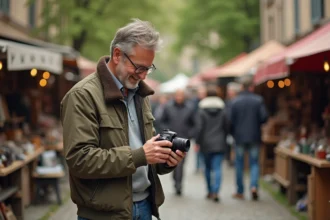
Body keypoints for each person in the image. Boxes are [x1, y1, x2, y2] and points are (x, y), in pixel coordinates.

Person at [60, 19, 185, 220]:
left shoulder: (139, 93)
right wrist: (139, 155)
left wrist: (166, 160)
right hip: (102, 214)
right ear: (117, 55)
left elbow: (145, 154)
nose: (143, 75)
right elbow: (79, 160)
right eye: (139, 67)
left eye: (148, 68)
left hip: (144, 207)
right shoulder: (82, 96)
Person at [229, 75, 268, 201]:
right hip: (254, 136)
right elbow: (264, 118)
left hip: (239, 137)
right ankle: (254, 187)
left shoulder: (235, 101)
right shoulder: (258, 100)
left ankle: (240, 191)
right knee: (254, 163)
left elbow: (230, 121)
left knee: (239, 164)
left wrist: (233, 133)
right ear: (251, 87)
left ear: (241, 87)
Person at [159, 88, 195, 196]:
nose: (179, 97)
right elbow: (161, 121)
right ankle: (176, 181)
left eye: (181, 95)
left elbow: (195, 123)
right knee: (171, 161)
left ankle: (179, 184)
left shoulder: (190, 108)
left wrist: (189, 134)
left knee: (181, 163)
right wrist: (167, 133)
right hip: (171, 140)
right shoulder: (168, 107)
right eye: (177, 95)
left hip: (183, 140)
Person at [195, 85, 227, 202]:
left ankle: (209, 190)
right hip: (219, 142)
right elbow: (226, 126)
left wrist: (197, 142)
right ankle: (216, 191)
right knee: (218, 168)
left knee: (207, 168)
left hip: (205, 143)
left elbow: (199, 128)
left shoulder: (201, 109)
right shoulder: (223, 108)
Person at [224, 82, 241, 166]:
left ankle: (233, 161)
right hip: (230, 130)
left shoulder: (237, 101)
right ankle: (231, 160)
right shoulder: (228, 102)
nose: (229, 92)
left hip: (236, 130)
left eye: (230, 90)